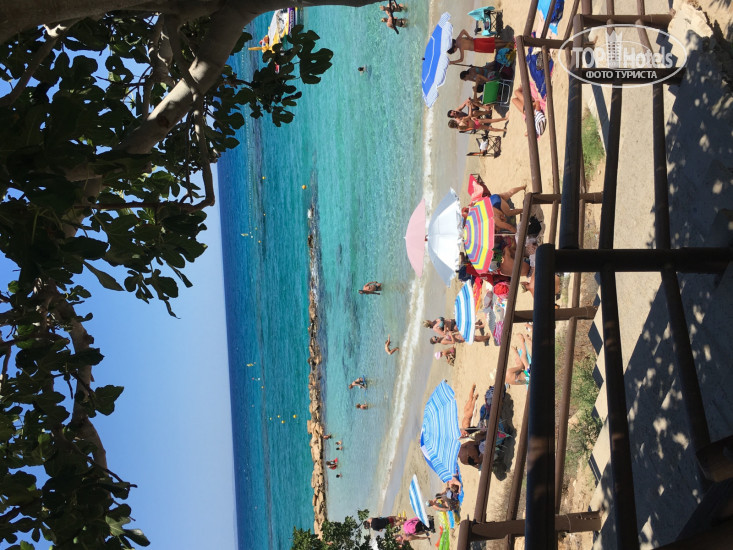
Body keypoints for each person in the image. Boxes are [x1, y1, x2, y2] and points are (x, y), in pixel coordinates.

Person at [448, 30, 512, 64]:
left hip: (477, 46)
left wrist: (452, 62)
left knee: (493, 46)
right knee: (491, 41)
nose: (455, 51)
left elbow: (461, 59)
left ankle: (508, 43)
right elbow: (463, 31)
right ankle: (507, 42)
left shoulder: (460, 47)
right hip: (476, 40)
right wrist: (469, 37)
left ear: (453, 47)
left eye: (453, 51)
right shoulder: (458, 38)